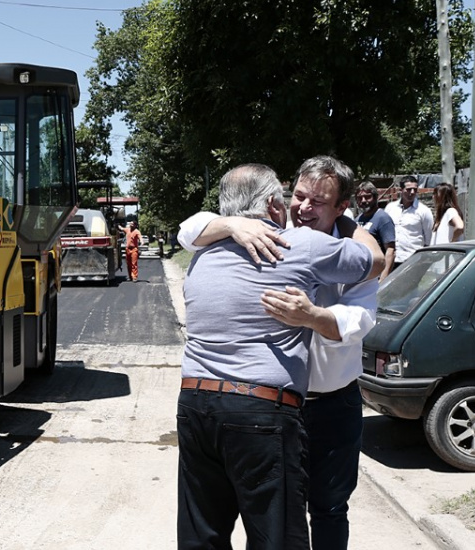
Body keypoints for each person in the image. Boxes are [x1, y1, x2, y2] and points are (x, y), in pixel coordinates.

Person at [177, 156, 382, 550]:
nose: (303, 208)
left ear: (342, 208)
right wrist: (234, 224)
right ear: (277, 202)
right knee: (278, 527)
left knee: (327, 508)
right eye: (298, 196)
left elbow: (360, 316)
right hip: (271, 407)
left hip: (328, 402)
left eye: (317, 202)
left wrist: (313, 316)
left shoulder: (208, 253)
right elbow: (188, 229)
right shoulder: (286, 241)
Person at [383, 175, 433, 269]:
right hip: (392, 259)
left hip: (413, 259)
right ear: (401, 190)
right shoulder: (390, 208)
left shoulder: (423, 211)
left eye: (415, 189)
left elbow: (428, 238)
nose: (412, 192)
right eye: (409, 189)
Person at [354, 181, 397, 280]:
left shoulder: (382, 218)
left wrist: (383, 279)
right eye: (360, 198)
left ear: (375, 197)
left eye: (367, 197)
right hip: (361, 277)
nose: (364, 201)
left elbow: (390, 250)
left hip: (376, 276)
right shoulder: (358, 219)